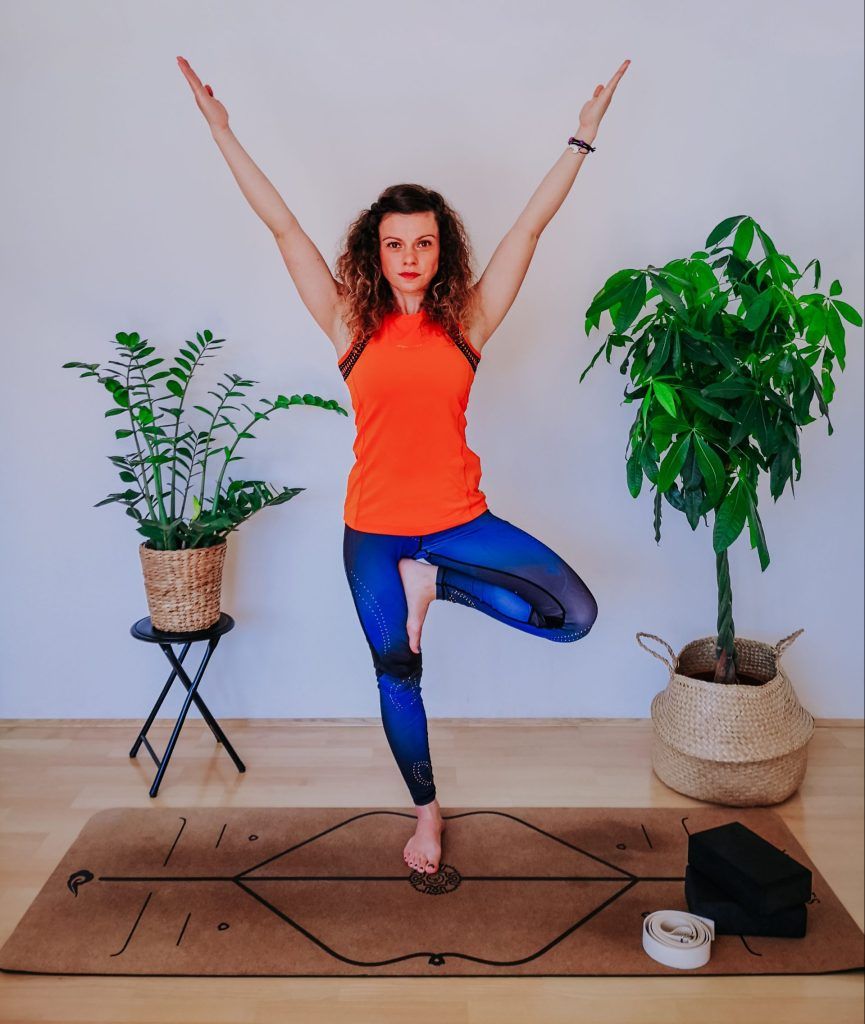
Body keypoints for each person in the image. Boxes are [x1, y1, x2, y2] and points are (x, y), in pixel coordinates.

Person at [177, 54, 630, 877]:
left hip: (460, 523)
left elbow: (528, 229)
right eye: (395, 244)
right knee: (396, 674)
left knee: (574, 616)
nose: (410, 256)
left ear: (440, 249)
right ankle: (427, 817)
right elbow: (285, 230)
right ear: (375, 253)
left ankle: (438, 583)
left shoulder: (470, 321)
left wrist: (579, 140)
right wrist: (222, 132)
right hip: (374, 534)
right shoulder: (349, 322)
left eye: (423, 242)